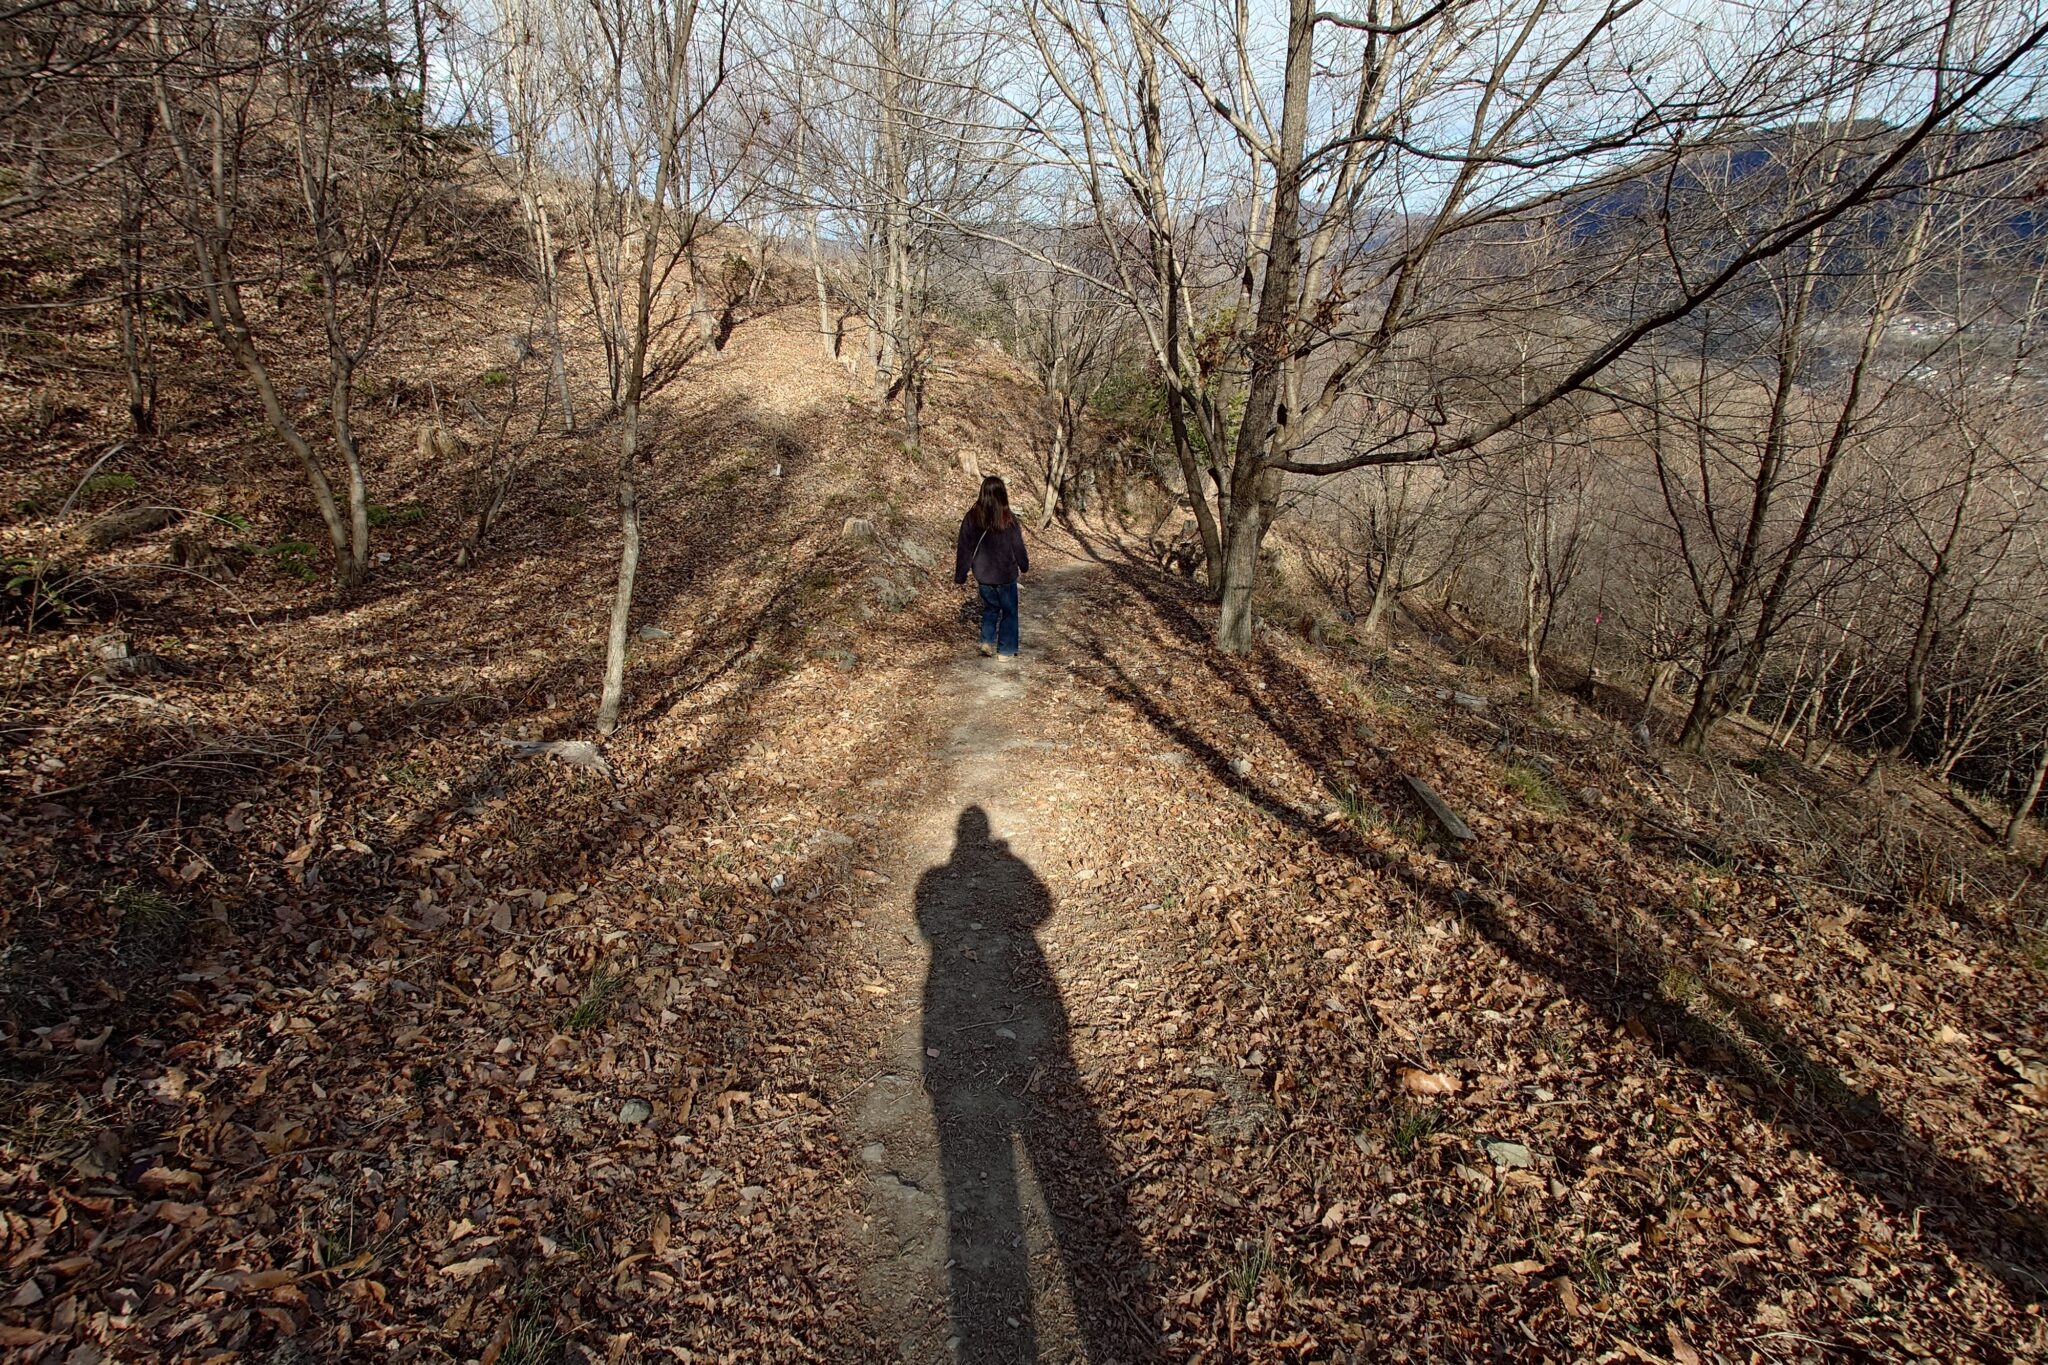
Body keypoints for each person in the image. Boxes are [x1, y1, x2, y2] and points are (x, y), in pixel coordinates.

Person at [953, 475, 1029, 658]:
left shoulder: (972, 517)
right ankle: (1005, 651)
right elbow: (1017, 545)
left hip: (983, 574)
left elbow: (965, 547)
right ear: (1002, 494)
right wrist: (1024, 564)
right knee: (1009, 612)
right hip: (1005, 573)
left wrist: (961, 574)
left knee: (990, 608)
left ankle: (986, 641)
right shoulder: (1008, 518)